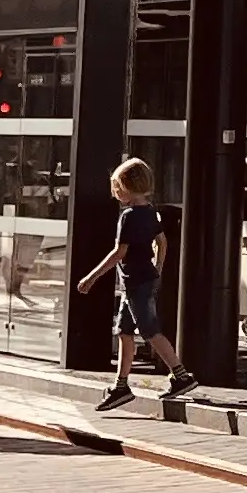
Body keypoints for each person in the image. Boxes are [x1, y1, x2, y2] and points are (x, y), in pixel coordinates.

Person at [75, 156, 171, 411]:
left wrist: (91, 277)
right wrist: (159, 268)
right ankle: (121, 386)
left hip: (135, 281)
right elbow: (162, 241)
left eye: (116, 187)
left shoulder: (128, 216)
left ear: (127, 187)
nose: (114, 192)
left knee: (150, 331)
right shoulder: (150, 211)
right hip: (142, 279)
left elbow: (119, 252)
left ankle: (181, 374)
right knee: (124, 332)